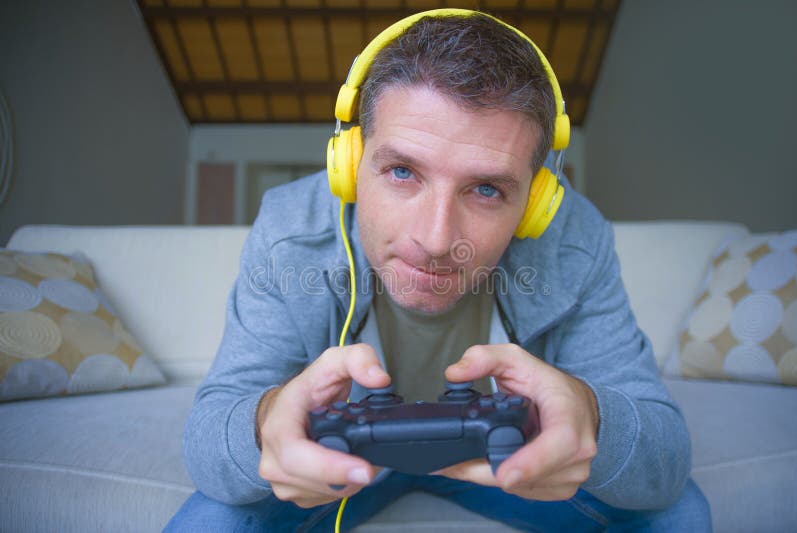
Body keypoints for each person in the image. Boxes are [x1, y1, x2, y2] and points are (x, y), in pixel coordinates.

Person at [166, 9, 712, 532]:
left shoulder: (574, 236)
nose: (434, 240)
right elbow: (211, 434)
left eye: (486, 189)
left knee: (674, 513)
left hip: (501, 460)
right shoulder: (289, 229)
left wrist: (591, 415)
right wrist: (266, 423)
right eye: (402, 171)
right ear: (351, 165)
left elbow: (663, 461)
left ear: (537, 200)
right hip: (344, 462)